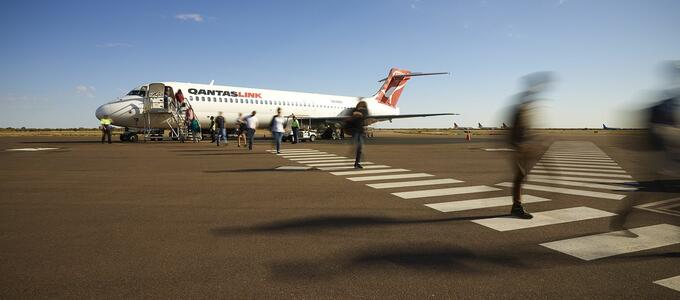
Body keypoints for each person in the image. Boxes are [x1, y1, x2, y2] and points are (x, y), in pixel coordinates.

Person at [610, 61, 680, 233]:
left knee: (649, 189)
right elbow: (664, 129)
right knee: (663, 191)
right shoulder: (668, 102)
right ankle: (621, 218)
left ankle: (621, 218)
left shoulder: (668, 100)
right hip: (655, 152)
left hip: (653, 151)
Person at [508, 72, 553, 219]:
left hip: (524, 147)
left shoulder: (524, 108)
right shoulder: (521, 109)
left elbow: (524, 130)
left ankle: (517, 205)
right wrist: (518, 146)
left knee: (521, 176)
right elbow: (515, 131)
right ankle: (517, 206)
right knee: (520, 176)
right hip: (519, 148)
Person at [345, 101, 368, 168]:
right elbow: (349, 119)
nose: (362, 107)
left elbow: (364, 118)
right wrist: (354, 115)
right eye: (361, 106)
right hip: (355, 132)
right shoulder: (353, 111)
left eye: (363, 106)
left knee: (359, 148)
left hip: (359, 132)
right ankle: (356, 161)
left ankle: (357, 163)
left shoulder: (363, 112)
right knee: (357, 147)